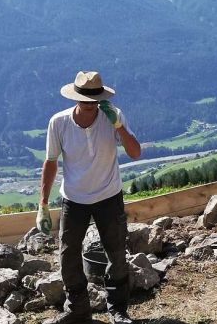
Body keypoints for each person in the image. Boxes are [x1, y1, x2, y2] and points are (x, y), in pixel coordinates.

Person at [37, 71, 141, 324]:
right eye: (84, 98)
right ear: (76, 97)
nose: (89, 103)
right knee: (68, 255)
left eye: (93, 99)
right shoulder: (58, 122)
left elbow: (135, 152)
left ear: (99, 98)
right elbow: (51, 162)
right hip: (73, 199)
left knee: (116, 254)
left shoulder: (112, 117)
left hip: (109, 195)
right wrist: (42, 204)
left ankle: (117, 310)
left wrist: (118, 125)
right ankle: (78, 310)